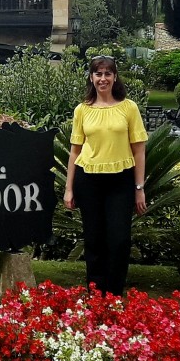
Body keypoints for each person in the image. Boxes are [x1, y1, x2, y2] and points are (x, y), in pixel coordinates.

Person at [63, 54, 148, 296]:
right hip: (88, 180)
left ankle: (114, 295)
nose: (103, 78)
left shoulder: (128, 108)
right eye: (98, 74)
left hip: (121, 181)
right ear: (91, 78)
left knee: (119, 240)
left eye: (107, 73)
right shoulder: (82, 110)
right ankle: (96, 296)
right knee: (94, 240)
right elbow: (75, 151)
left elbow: (139, 149)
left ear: (115, 77)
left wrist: (139, 188)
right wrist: (69, 188)